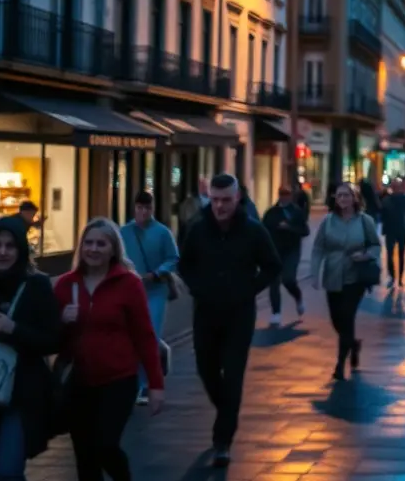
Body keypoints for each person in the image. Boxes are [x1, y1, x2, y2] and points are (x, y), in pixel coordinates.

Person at [178, 173, 282, 467]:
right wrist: (197, 287)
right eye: (215, 199)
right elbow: (184, 264)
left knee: (233, 376)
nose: (220, 206)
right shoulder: (198, 229)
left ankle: (222, 440)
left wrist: (250, 289)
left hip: (239, 314)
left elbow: (273, 265)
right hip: (206, 313)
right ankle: (227, 409)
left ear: (237, 199)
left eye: (226, 200)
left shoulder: (253, 231)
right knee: (206, 369)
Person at [55, 218, 165, 481]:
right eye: (88, 243)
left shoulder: (129, 284)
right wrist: (61, 320)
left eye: (101, 243)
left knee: (105, 444)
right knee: (84, 454)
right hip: (78, 380)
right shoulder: (65, 285)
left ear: (114, 249)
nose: (93, 249)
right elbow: (49, 337)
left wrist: (155, 384)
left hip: (118, 380)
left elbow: (145, 336)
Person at [0, 217, 62, 479]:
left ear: (21, 250)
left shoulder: (36, 285)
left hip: (22, 394)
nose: (2, 252)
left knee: (7, 470)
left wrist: (15, 330)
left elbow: (53, 340)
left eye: (10, 246)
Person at [310, 183, 381, 379]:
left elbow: (375, 245)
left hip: (355, 277)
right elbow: (318, 248)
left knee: (347, 317)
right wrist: (314, 273)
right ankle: (353, 344)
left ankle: (340, 364)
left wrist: (365, 255)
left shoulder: (364, 220)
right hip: (332, 276)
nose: (342, 199)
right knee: (336, 319)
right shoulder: (328, 221)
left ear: (354, 198)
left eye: (346, 196)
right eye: (339, 196)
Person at [120, 190, 179, 403]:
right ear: (134, 208)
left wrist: (157, 273)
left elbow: (173, 258)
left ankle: (144, 385)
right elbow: (117, 257)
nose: (143, 212)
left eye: (147, 208)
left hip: (156, 291)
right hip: (131, 291)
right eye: (140, 208)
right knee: (131, 336)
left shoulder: (162, 232)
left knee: (149, 334)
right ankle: (157, 355)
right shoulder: (124, 232)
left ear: (152, 209)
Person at [261, 186, 311, 325]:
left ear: (291, 196)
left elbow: (305, 231)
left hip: (292, 251)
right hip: (275, 251)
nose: (284, 197)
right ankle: (276, 312)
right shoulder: (271, 212)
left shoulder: (296, 212)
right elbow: (263, 230)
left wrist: (289, 228)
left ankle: (298, 297)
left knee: (288, 279)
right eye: (282, 194)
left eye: (287, 194)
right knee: (274, 282)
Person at [381, 179, 405, 289]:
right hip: (395, 230)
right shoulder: (389, 200)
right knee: (392, 254)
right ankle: (394, 277)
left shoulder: (401, 199)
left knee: (398, 254)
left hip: (399, 230)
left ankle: (398, 278)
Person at [178, 179, 210, 244]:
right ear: (198, 187)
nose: (205, 188)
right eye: (203, 185)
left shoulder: (213, 200)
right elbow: (185, 219)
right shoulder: (189, 203)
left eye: (207, 186)